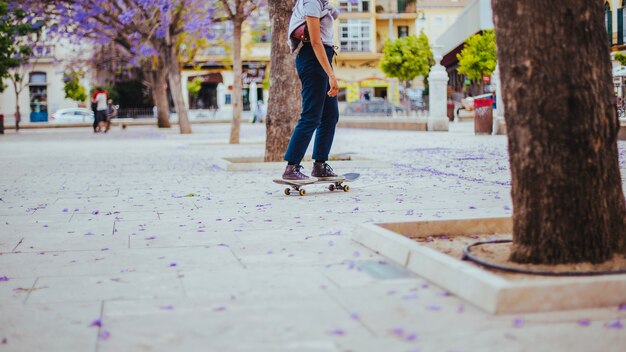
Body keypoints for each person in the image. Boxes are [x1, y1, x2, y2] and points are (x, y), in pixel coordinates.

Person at [283, 0, 341, 182]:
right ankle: (291, 167)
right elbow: (316, 42)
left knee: (330, 115)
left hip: (322, 59)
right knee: (311, 116)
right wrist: (331, 74)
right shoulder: (311, 2)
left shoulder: (323, 4)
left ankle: (320, 165)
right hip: (313, 59)